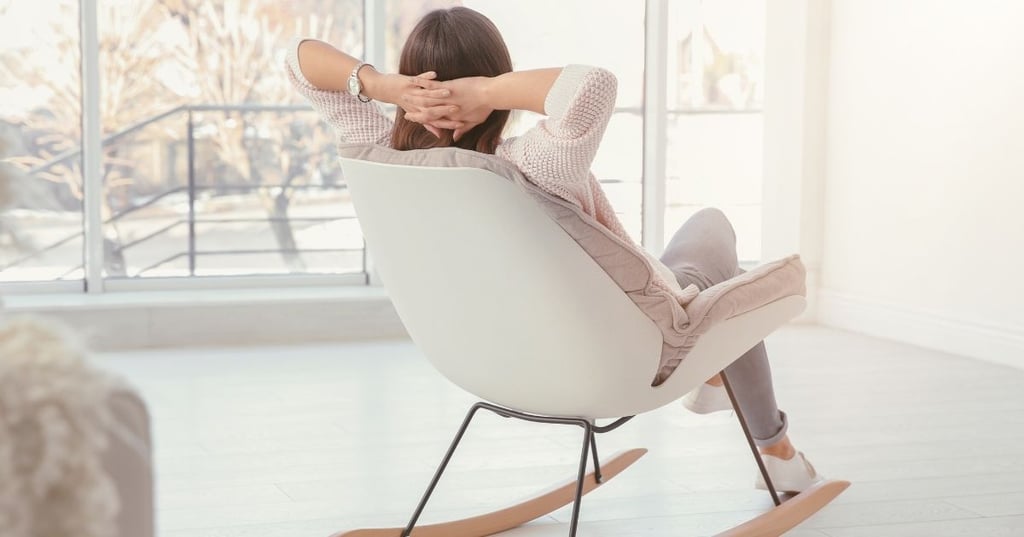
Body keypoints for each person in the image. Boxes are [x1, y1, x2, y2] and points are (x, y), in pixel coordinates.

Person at [286, 6, 821, 493]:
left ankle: (722, 388)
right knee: (714, 235)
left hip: (488, 359)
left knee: (708, 272)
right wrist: (489, 93)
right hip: (627, 354)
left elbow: (296, 61)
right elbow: (592, 87)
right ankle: (771, 443)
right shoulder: (535, 165)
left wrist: (382, 85)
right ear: (491, 76)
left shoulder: (378, 153)